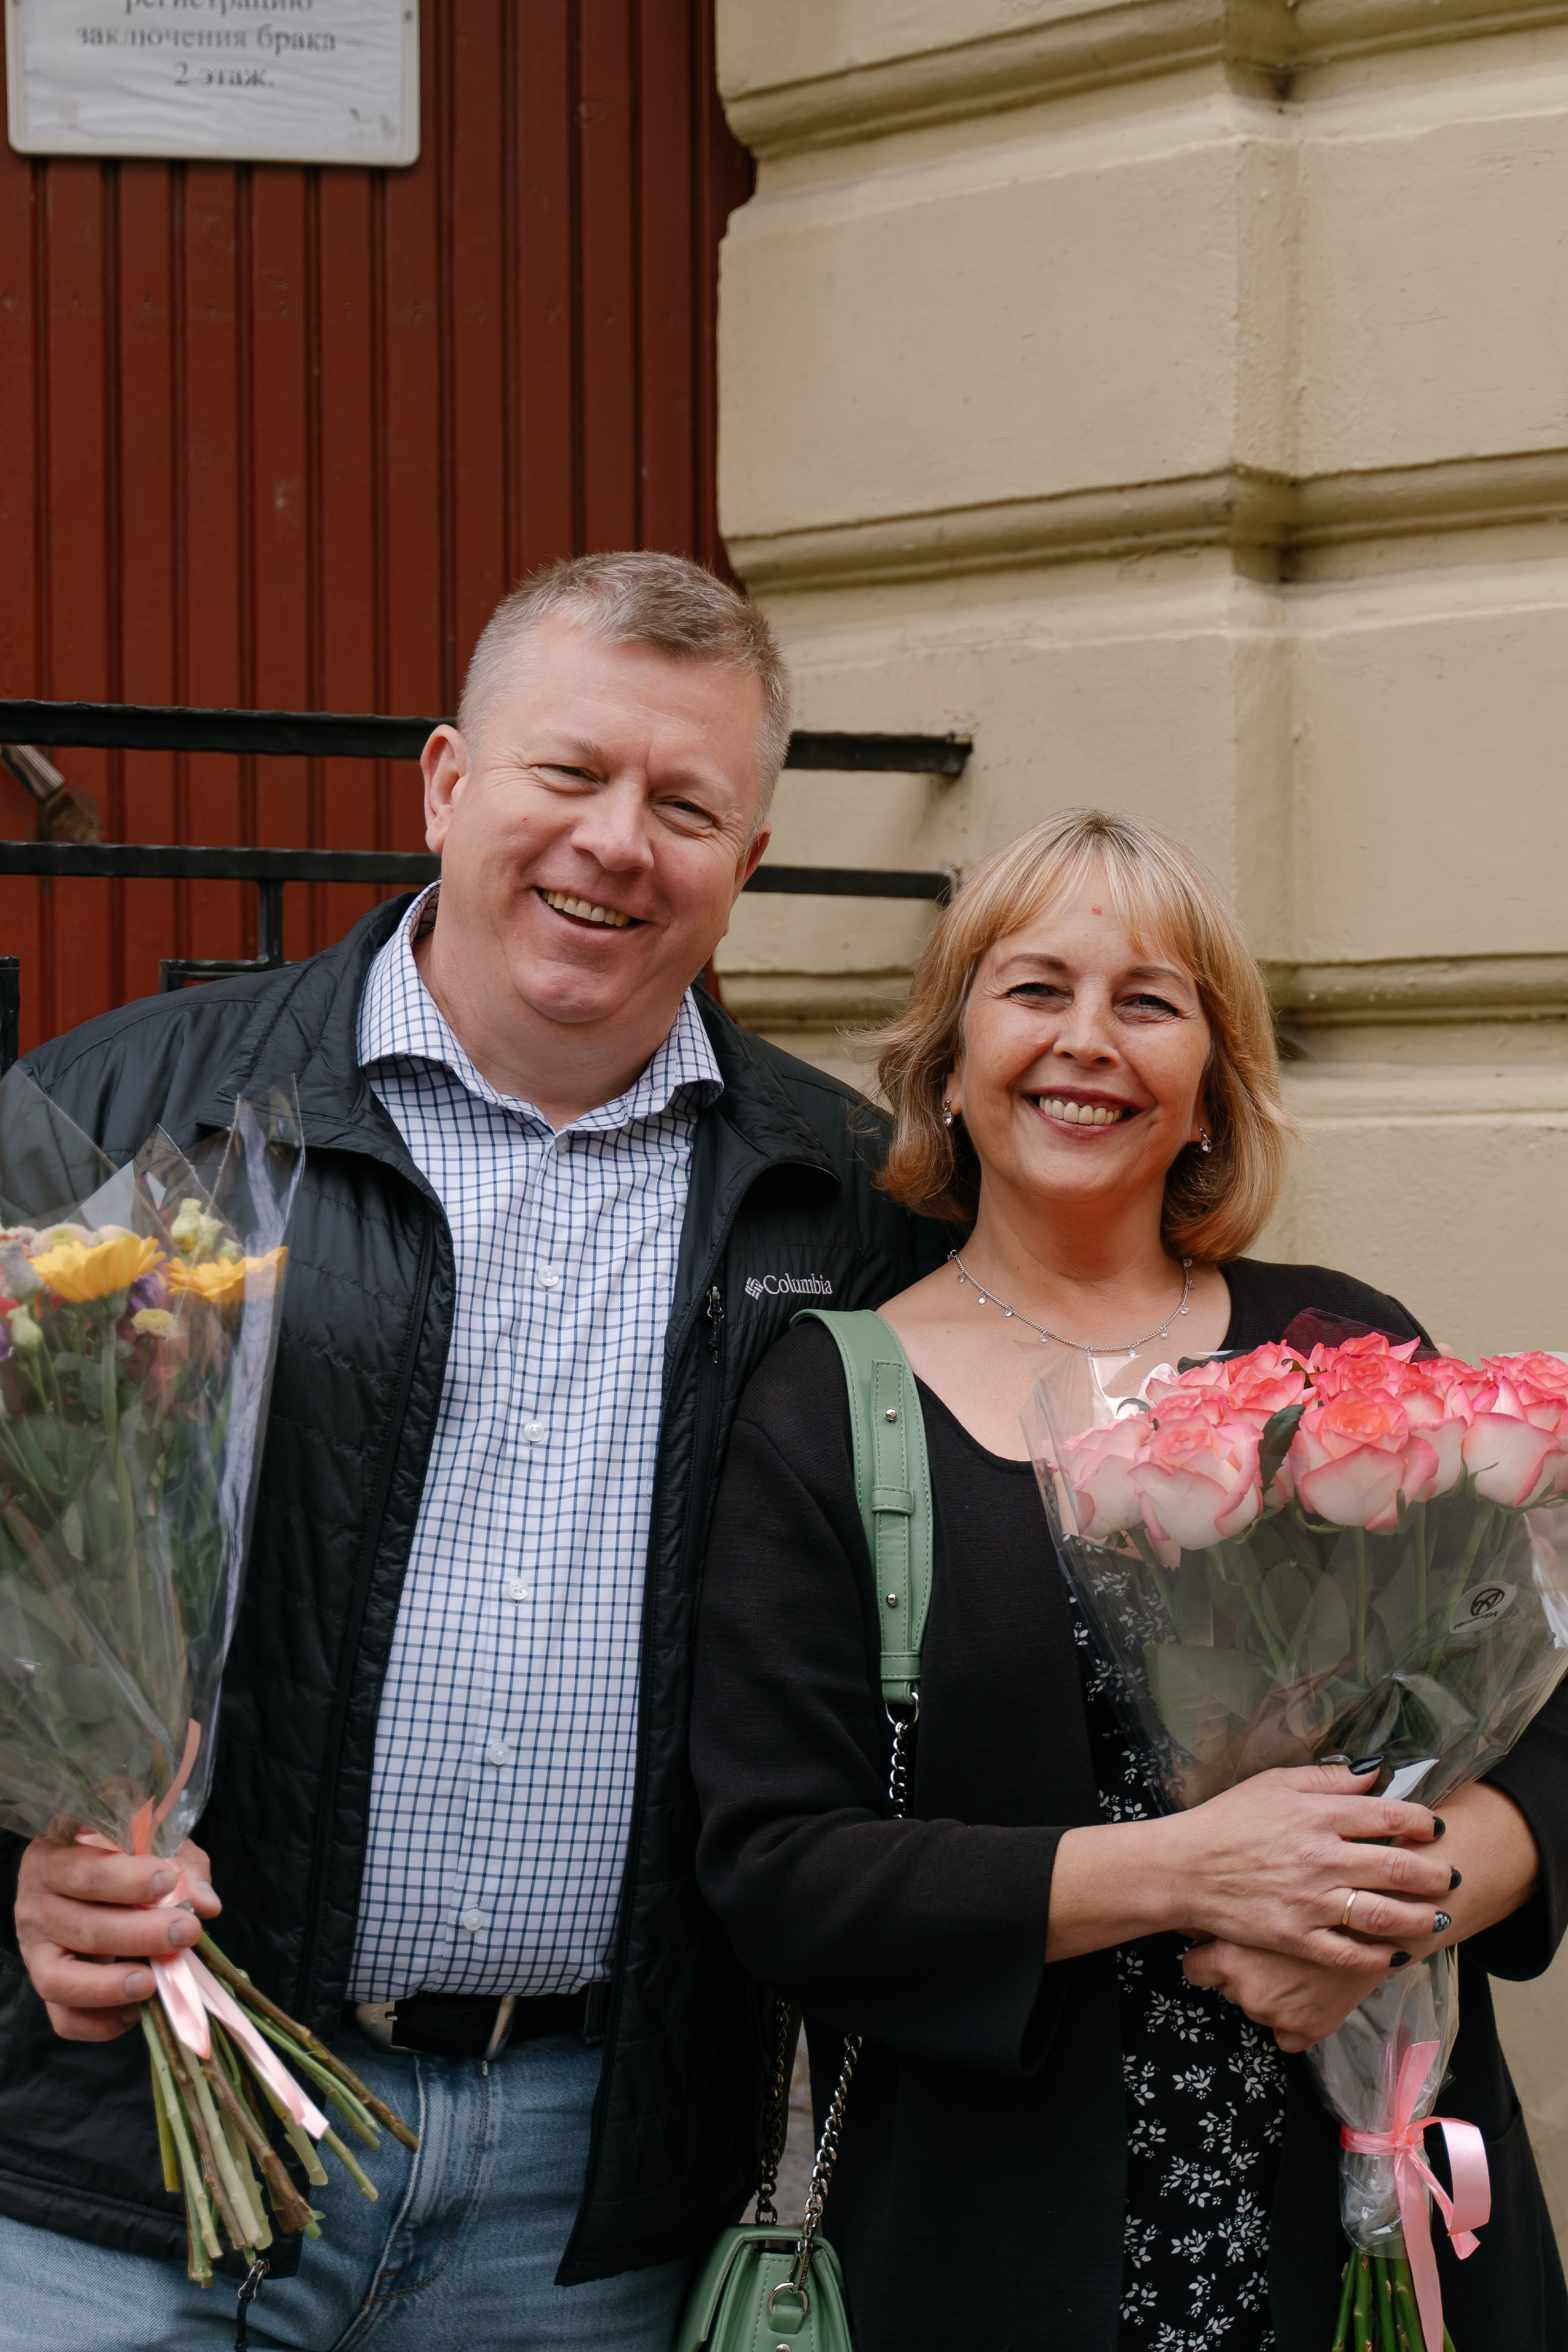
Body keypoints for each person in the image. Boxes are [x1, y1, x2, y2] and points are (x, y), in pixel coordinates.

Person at [0, 552, 946, 2350]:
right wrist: (15, 1869)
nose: (617, 843)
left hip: (582, 2207)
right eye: (567, 773)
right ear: (446, 783)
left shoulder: (845, 1201)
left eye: (686, 807)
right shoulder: (120, 1119)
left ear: (746, 860)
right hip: (132, 2141)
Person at [691, 807, 1568, 2352]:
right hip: (998, 2241)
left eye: (1148, 1003)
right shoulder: (829, 1404)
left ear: (1210, 1087)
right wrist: (1186, 1873)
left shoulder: (1339, 1357)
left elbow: (1541, 1737)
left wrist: (1381, 1911)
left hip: (1366, 2208)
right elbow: (781, 1874)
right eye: (1034, 990)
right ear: (947, 1062)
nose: (1085, 1042)